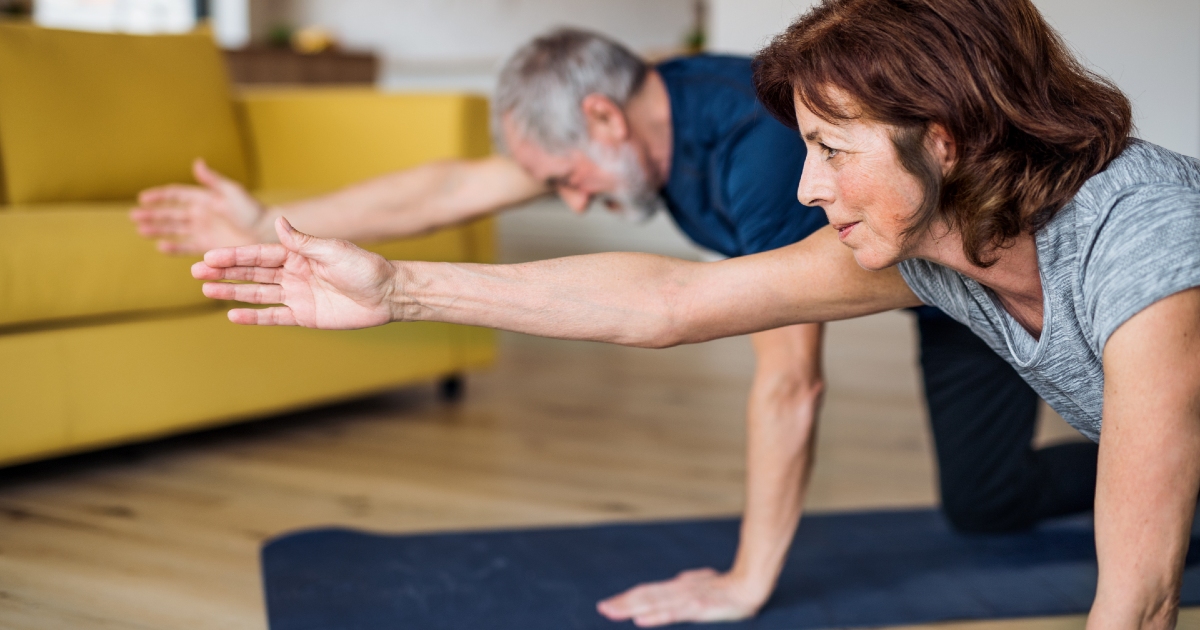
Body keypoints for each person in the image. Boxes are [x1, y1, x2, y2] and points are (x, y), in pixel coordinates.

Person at [141, 26, 1108, 626]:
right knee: (988, 505)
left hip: (981, 265)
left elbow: (790, 381)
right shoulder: (643, 103)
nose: (573, 199)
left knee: (999, 490)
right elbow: (448, 187)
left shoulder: (764, 160)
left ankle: (1157, 455)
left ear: (603, 119)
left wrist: (746, 580)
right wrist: (272, 221)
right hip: (918, 277)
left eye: (567, 179)